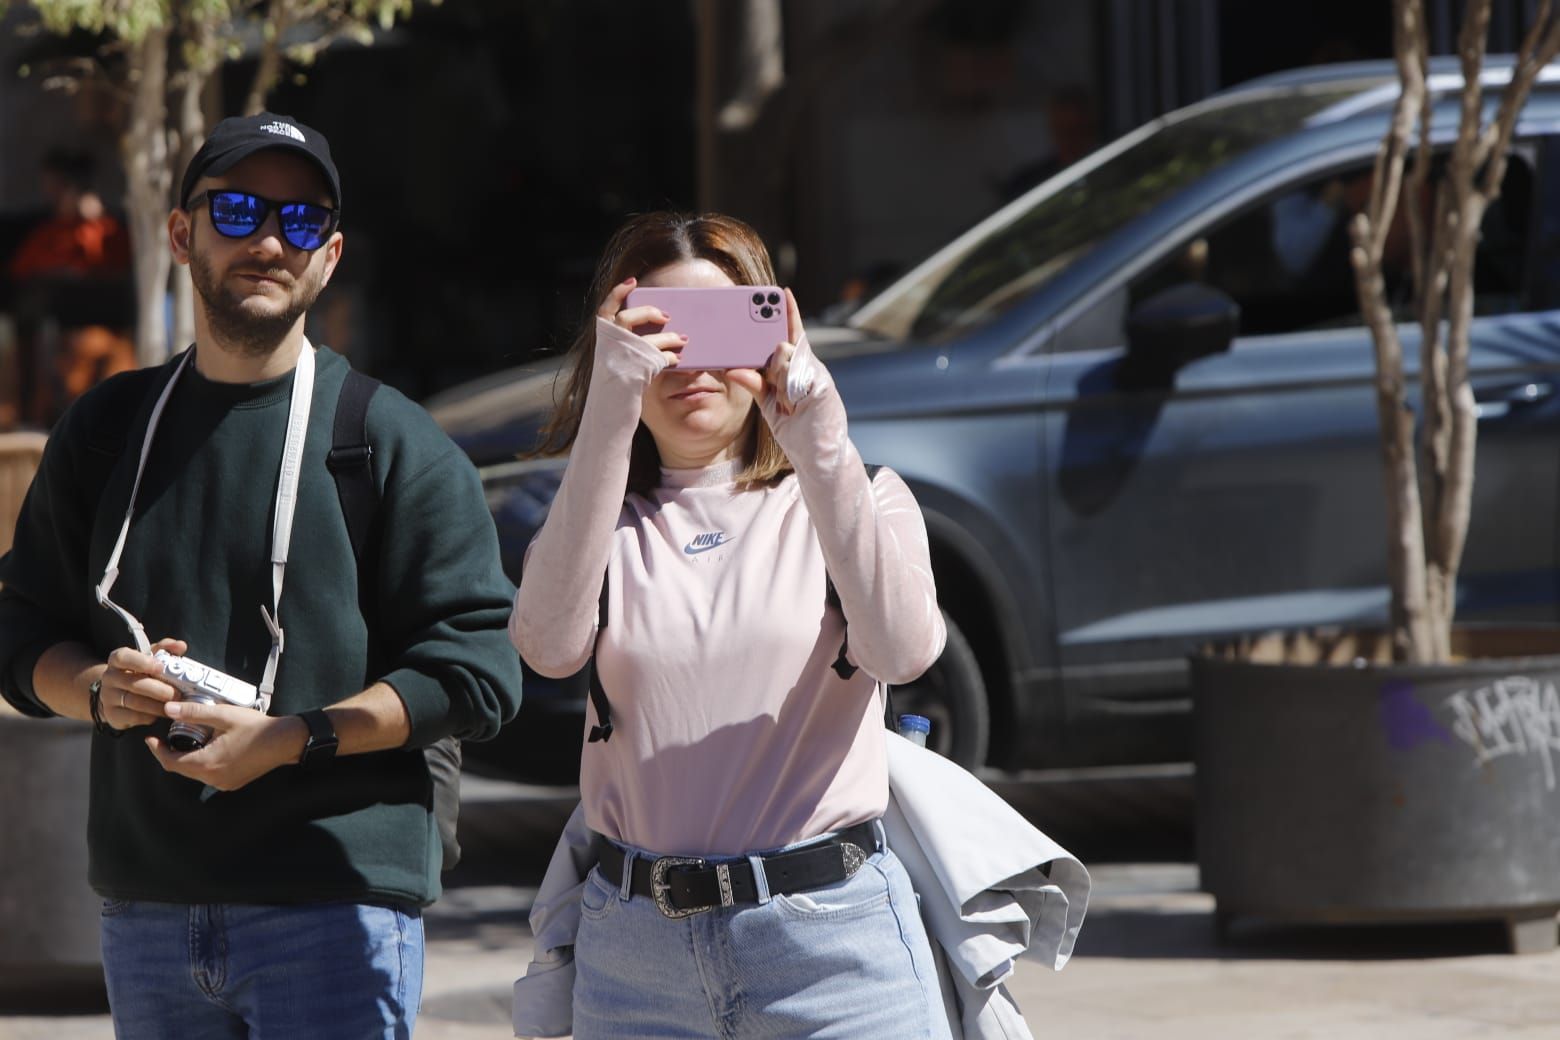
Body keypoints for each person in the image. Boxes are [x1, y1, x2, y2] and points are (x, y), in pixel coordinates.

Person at [0, 111, 523, 1038]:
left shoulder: (387, 439)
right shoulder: (109, 427)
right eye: (237, 211)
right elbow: (22, 624)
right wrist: (98, 691)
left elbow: (476, 672)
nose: (271, 241)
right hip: (146, 909)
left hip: (335, 906)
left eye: (302, 222)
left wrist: (290, 739)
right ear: (181, 233)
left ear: (330, 256)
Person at [510, 211, 952, 1038]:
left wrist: (820, 439)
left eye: (717, 330)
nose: (690, 364)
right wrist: (607, 410)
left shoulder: (857, 494)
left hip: (833, 942)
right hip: (636, 950)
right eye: (660, 335)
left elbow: (902, 649)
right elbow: (547, 646)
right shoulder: (599, 521)